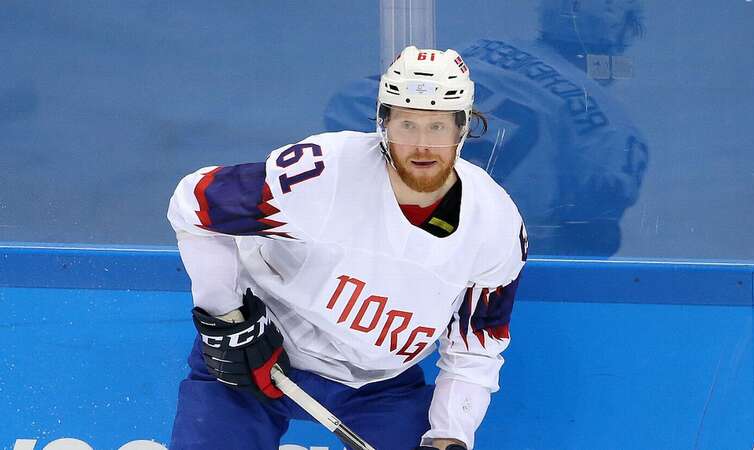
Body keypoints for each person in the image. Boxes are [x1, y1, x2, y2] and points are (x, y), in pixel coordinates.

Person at [167, 45, 527, 450]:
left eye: (437, 127)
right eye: (407, 125)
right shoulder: (322, 174)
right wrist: (227, 320)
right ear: (383, 124)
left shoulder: (495, 225)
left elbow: (475, 343)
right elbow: (194, 202)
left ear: (463, 129)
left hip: (378, 386)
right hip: (255, 358)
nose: (423, 146)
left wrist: (449, 434)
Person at [324, 0, 649, 257]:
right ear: (627, 30)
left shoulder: (484, 48)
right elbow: (591, 240)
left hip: (385, 239)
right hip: (480, 260)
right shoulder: (614, 128)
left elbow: (349, 106)